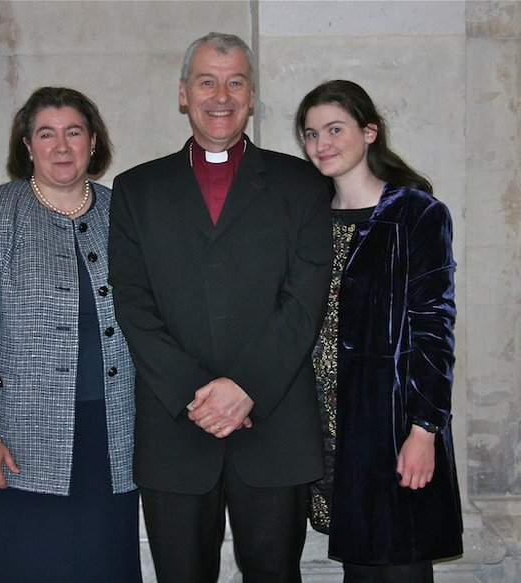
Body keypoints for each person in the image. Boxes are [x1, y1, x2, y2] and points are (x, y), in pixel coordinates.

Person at [108, 32, 332, 582]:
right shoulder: (136, 190)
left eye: (235, 82)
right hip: (176, 429)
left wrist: (246, 386)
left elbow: (305, 300)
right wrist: (198, 396)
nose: (221, 95)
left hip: (274, 425)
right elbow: (133, 306)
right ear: (184, 93)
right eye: (207, 81)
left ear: (252, 96)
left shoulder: (301, 184)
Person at [0, 86, 142, 583]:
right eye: (46, 134)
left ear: (93, 142)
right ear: (27, 146)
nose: (61, 146)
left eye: (74, 132)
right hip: (14, 436)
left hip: (109, 431)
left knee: (97, 560)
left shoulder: (126, 213)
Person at [294, 80, 463, 582]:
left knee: (400, 563)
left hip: (391, 424)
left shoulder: (416, 214)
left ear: (369, 132)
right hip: (324, 425)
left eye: (334, 129)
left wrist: (423, 430)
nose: (321, 143)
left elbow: (434, 329)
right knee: (361, 567)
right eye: (309, 133)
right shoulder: (305, 218)